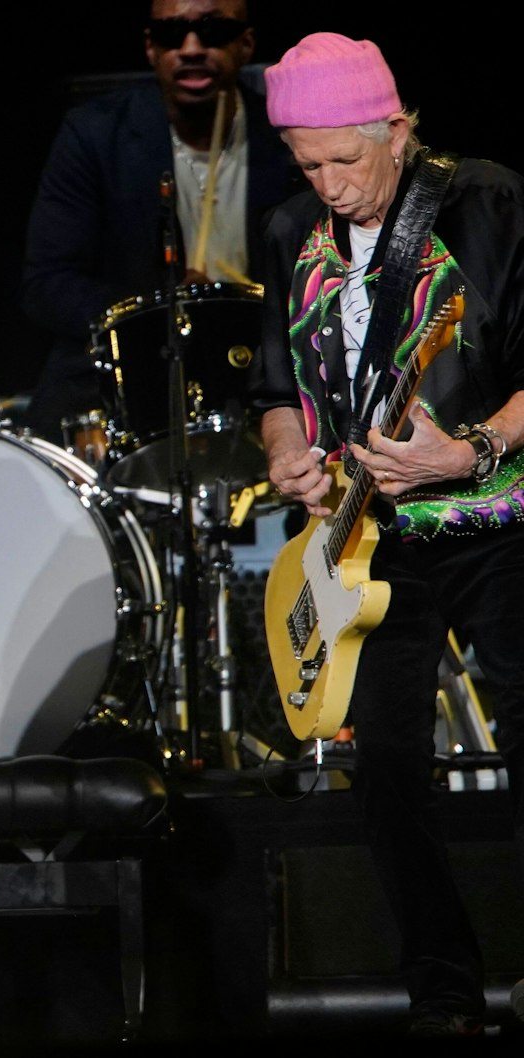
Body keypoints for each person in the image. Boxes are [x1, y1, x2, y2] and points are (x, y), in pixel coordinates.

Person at [251, 31, 522, 1039]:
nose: (329, 185)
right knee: (386, 770)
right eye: (307, 165)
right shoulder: (290, 230)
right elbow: (273, 385)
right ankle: (443, 994)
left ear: (398, 131)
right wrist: (288, 449)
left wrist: (473, 447)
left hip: (496, 518)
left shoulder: (485, 202)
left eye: (344, 160)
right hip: (368, 538)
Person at [19, 0, 297, 446]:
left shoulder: (286, 136)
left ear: (246, 44)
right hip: (131, 387)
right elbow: (48, 285)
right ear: (150, 47)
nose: (191, 48)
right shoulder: (95, 134)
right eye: (172, 34)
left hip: (256, 380)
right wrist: (161, 308)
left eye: (213, 31)